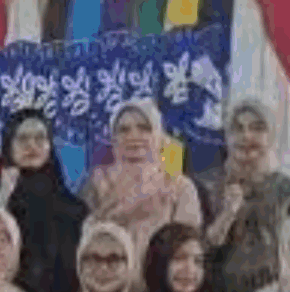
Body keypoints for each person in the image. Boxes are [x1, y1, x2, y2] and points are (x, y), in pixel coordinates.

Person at [0, 108, 88, 292]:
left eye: (40, 138)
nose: (31, 145)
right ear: (8, 145)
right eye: (22, 138)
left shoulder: (72, 209)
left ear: (50, 146)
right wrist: (2, 198)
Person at [197, 101, 290, 292]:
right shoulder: (205, 185)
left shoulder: (288, 190)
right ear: (227, 137)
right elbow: (192, 250)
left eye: (257, 128)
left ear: (271, 136)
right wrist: (227, 215)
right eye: (237, 129)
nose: (246, 136)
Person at [78, 100, 201, 258]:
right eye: (123, 130)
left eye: (144, 128)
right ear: (113, 138)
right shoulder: (96, 185)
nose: (133, 136)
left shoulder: (178, 186)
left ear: (158, 135)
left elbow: (186, 250)